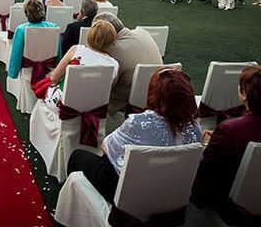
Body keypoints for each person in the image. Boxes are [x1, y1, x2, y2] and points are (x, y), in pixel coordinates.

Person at [67, 67, 201, 203]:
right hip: (168, 195)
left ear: (154, 94)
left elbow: (106, 147)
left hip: (128, 196)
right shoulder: (194, 128)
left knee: (77, 156)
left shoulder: (137, 122)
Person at [192, 66, 261, 220]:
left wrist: (208, 147)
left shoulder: (230, 129)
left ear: (244, 94)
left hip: (231, 205)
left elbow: (207, 174)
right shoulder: (230, 129)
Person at [93, 12, 163, 116]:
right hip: (157, 97)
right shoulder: (143, 32)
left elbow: (102, 85)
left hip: (123, 106)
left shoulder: (112, 50)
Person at [43, 19, 119, 113]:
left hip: (63, 106)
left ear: (90, 35)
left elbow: (54, 78)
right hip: (93, 109)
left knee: (47, 86)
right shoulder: (114, 65)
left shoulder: (76, 50)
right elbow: (109, 89)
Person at [7, 0, 59, 80]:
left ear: (26, 13)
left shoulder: (21, 30)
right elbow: (58, 52)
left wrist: (13, 72)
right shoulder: (54, 27)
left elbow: (16, 54)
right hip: (50, 72)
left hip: (28, 73)